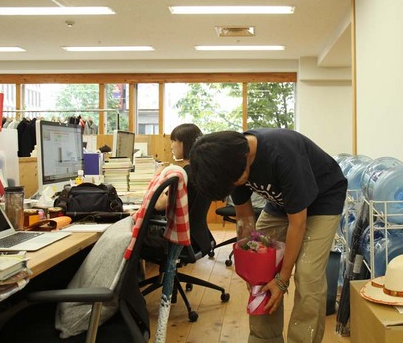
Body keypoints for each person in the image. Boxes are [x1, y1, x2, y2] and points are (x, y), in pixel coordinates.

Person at [190, 128, 347, 343]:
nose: (236, 185)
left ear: (244, 158)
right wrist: (250, 258)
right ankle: (264, 339)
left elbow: (298, 223)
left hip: (323, 200)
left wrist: (282, 279)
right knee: (260, 267)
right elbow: (244, 215)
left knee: (308, 273)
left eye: (236, 181)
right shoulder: (229, 163)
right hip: (281, 203)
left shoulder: (281, 154)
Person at [142, 123, 210, 252]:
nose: (171, 146)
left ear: (184, 144)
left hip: (181, 240)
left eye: (173, 141)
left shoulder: (185, 175)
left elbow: (158, 205)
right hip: (197, 237)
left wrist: (158, 177)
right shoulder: (201, 170)